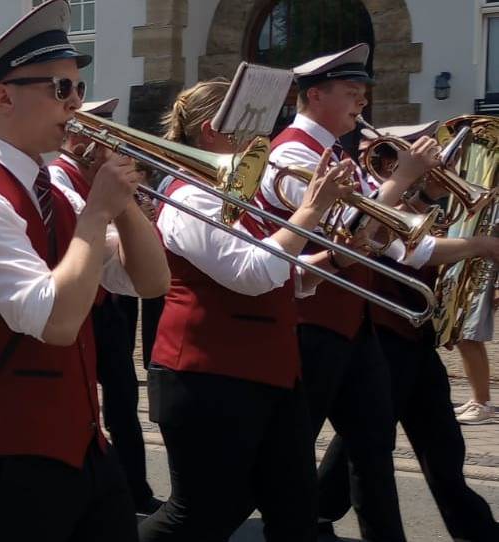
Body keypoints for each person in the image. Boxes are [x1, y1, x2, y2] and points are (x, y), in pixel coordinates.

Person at [0, 1, 171, 539]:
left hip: (85, 442)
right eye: (60, 89)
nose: (76, 105)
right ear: (3, 97)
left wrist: (123, 198)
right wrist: (96, 210)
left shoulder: (57, 189)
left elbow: (151, 282)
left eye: (78, 90)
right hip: (11, 458)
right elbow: (56, 321)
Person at [133, 79, 361, 541]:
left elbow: (280, 275)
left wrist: (335, 259)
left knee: (294, 509)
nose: (264, 137)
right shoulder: (186, 196)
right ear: (212, 130)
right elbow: (250, 273)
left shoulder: (242, 196)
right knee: (200, 516)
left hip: (272, 372)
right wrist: (310, 212)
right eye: (252, 125)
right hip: (206, 374)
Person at [256, 43, 446, 541]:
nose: (361, 102)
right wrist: (401, 178)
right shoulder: (293, 152)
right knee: (294, 449)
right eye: (351, 92)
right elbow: (351, 232)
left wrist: (416, 194)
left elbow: (379, 240)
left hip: (352, 322)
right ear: (315, 95)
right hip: (309, 321)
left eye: (363, 92)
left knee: (373, 446)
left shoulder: (340, 155)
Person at [314, 122, 499, 542]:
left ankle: (476, 528)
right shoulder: (373, 196)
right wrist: (482, 245)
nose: (436, 163)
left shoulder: (408, 199)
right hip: (382, 329)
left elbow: (420, 234)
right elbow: (415, 252)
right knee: (367, 440)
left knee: (439, 441)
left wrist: (433, 195)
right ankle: (315, 511)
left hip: (413, 332)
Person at [49, 97, 162, 515]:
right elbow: (98, 237)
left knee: (123, 401)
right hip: (80, 306)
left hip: (109, 303)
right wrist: (125, 215)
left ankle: (134, 489)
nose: (110, 145)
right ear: (78, 137)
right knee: (83, 403)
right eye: (101, 136)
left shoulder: (89, 176)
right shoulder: (58, 179)